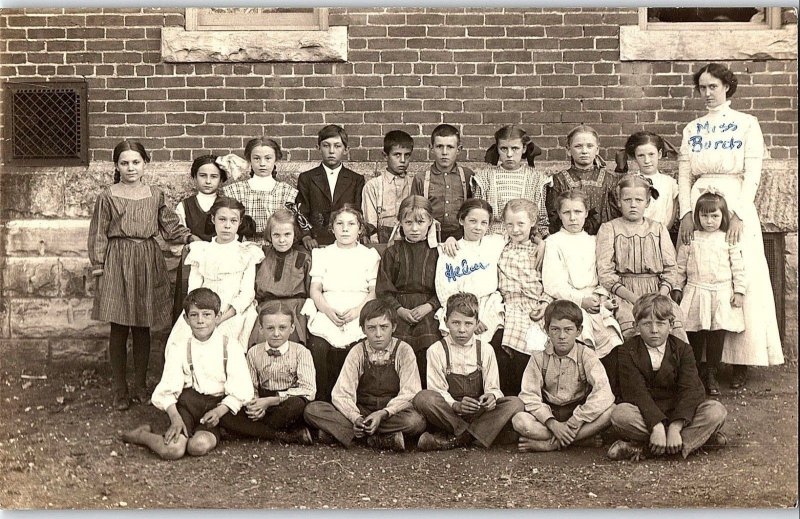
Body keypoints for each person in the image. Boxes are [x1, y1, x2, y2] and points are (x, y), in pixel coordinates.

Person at [677, 62, 783, 388]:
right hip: (699, 206)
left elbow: (753, 172)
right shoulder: (693, 129)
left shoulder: (746, 125)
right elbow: (684, 173)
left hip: (735, 203)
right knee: (701, 272)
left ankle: (741, 360)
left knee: (738, 273)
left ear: (727, 87)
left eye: (713, 86)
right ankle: (701, 363)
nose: (707, 93)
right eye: (702, 87)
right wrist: (684, 213)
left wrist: (737, 211)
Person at [88, 140, 197, 410]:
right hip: (117, 259)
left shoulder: (155, 194)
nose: (130, 168)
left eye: (136, 162)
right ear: (116, 166)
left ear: (145, 163)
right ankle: (120, 388)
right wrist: (99, 265)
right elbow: (98, 232)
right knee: (119, 325)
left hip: (147, 259)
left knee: (141, 325)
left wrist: (190, 237)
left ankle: (140, 385)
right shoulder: (107, 196)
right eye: (124, 163)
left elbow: (168, 223)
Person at [120, 288, 254, 459]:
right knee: (172, 450)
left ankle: (208, 432)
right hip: (188, 405)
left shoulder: (230, 346)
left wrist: (220, 411)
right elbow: (167, 389)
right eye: (194, 315)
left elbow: (242, 389)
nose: (200, 321)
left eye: (207, 315)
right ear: (186, 318)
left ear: (218, 317)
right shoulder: (180, 347)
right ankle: (143, 436)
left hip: (216, 407)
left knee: (198, 446)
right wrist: (175, 418)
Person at [608, 294, 728, 461]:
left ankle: (646, 449)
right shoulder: (626, 351)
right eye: (647, 324)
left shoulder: (683, 349)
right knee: (620, 415)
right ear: (636, 326)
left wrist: (675, 427)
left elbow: (691, 390)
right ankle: (695, 441)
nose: (654, 330)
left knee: (716, 411)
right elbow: (636, 392)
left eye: (660, 323)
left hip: (679, 411)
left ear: (671, 325)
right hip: (645, 413)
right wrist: (657, 426)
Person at [304, 300, 426, 451]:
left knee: (416, 421)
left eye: (384, 327)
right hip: (362, 410)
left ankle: (349, 436)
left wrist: (382, 414)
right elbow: (342, 393)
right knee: (313, 410)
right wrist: (356, 418)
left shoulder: (404, 351)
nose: (378, 334)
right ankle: (378, 438)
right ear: (363, 330)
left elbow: (410, 392)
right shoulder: (357, 351)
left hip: (390, 413)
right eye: (371, 328)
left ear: (393, 327)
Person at [413, 293, 524, 451]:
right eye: (456, 323)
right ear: (446, 322)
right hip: (449, 414)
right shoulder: (436, 350)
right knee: (423, 398)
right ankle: (474, 434)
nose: (462, 330)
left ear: (477, 323)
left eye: (468, 324)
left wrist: (491, 397)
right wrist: (457, 406)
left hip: (478, 412)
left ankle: (458, 438)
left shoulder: (485, 349)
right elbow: (437, 390)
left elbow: (494, 388)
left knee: (515, 403)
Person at [542, 189, 623, 394]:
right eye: (567, 212)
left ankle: (607, 394)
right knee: (581, 336)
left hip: (595, 300)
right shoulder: (553, 242)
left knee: (612, 338)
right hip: (568, 301)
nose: (572, 218)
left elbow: (604, 273)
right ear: (559, 215)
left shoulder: (594, 241)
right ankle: (580, 393)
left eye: (578, 212)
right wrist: (581, 300)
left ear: (586, 213)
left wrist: (601, 298)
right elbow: (553, 284)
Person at [512, 300, 615, 452]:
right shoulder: (538, 357)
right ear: (546, 329)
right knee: (519, 421)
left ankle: (551, 444)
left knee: (611, 411)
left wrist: (577, 419)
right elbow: (529, 395)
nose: (561, 336)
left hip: (578, 413)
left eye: (568, 330)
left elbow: (603, 392)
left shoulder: (586, 355)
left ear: (579, 331)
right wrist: (553, 423)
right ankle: (580, 439)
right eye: (555, 329)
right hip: (550, 414)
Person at [301, 205, 381, 401]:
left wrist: (357, 312)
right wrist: (327, 310)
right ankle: (323, 401)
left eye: (351, 224)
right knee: (318, 347)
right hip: (328, 307)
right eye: (340, 224)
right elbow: (315, 289)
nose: (345, 229)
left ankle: (355, 399)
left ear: (360, 229)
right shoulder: (322, 254)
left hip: (360, 308)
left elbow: (373, 291)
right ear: (332, 228)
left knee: (359, 346)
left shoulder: (369, 255)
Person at [596, 174, 689, 343]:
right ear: (619, 202)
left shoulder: (658, 229)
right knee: (632, 327)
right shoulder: (609, 229)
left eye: (638, 200)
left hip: (657, 291)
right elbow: (605, 273)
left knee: (672, 324)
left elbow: (671, 268)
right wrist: (635, 300)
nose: (633, 205)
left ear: (647, 202)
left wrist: (660, 296)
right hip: (624, 294)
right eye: (627, 200)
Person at [167, 197, 265, 355]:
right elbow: (194, 291)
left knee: (225, 347)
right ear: (213, 220)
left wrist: (222, 317)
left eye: (233, 221)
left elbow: (247, 293)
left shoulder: (247, 252)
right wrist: (205, 316)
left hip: (233, 312)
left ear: (239, 223)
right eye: (222, 219)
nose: (227, 226)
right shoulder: (202, 251)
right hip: (202, 311)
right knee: (181, 344)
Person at [673, 191, 746, 396]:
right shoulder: (691, 239)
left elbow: (738, 267)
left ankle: (712, 371)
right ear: (697, 216)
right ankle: (693, 373)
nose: (709, 221)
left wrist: (739, 291)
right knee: (695, 332)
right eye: (704, 216)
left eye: (715, 216)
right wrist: (677, 287)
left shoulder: (728, 239)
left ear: (724, 216)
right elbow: (680, 267)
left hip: (720, 293)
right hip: (696, 290)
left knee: (716, 333)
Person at [222, 302, 315, 445]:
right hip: (262, 401)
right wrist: (255, 405)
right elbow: (249, 386)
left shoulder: (301, 352)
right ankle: (284, 436)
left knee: (296, 405)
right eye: (270, 328)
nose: (276, 333)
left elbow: (309, 390)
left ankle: (251, 431)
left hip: (285, 403)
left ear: (292, 328)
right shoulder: (253, 352)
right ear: (261, 329)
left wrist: (271, 401)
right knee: (227, 414)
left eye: (282, 328)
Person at [375, 195, 442, 382]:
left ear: (430, 222)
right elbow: (384, 290)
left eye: (420, 222)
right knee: (398, 345)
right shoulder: (392, 252)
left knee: (430, 344)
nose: (414, 228)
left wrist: (430, 306)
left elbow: (446, 288)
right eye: (408, 222)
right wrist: (400, 310)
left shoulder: (437, 252)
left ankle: (426, 395)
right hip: (399, 308)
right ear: (400, 223)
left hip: (428, 308)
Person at [496, 199, 552, 396]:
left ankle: (531, 397)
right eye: (509, 224)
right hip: (509, 305)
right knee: (504, 348)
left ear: (533, 222)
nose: (515, 229)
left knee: (532, 349)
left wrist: (545, 304)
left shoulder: (540, 250)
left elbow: (550, 282)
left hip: (535, 306)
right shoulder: (499, 245)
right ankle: (510, 399)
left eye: (521, 224)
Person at [434, 199, 505, 346]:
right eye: (472, 221)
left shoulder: (495, 243)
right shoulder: (449, 250)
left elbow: (523, 233)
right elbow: (444, 291)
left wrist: (540, 242)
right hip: (459, 308)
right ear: (461, 220)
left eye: (484, 223)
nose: (478, 227)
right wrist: (470, 318)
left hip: (488, 305)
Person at [172, 155, 226, 323]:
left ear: (221, 179)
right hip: (192, 264)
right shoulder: (185, 206)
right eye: (203, 176)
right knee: (190, 303)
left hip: (219, 262)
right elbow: (176, 232)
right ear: (194, 177)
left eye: (214, 176)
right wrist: (189, 239)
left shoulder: (225, 204)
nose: (208, 181)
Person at [473, 125, 550, 241]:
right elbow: (477, 215)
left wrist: (539, 241)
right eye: (504, 149)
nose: (509, 154)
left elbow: (541, 221)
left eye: (515, 148)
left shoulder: (537, 178)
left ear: (524, 148)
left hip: (526, 241)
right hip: (490, 240)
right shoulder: (484, 178)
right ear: (497, 149)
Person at [249, 208, 312, 347]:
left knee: (292, 342)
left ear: (295, 234)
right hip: (266, 308)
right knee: (260, 342)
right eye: (276, 235)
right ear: (269, 235)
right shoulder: (260, 256)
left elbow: (309, 291)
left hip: (294, 310)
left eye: (287, 234)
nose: (282, 240)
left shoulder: (303, 258)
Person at [295, 125, 365, 249]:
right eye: (326, 145)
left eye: (337, 146)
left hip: (346, 240)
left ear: (346, 150)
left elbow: (358, 211)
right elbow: (302, 210)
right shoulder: (307, 178)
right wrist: (306, 236)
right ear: (318, 148)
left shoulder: (356, 179)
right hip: (316, 241)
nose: (331, 151)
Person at [546, 124, 621, 235]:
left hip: (603, 239)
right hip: (569, 238)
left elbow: (617, 214)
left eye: (589, 146)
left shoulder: (609, 180)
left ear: (597, 149)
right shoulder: (559, 180)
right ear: (568, 150)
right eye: (578, 146)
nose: (584, 151)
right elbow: (553, 214)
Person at [221, 137, 298, 243]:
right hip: (243, 247)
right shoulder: (235, 191)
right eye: (257, 158)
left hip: (277, 246)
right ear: (249, 160)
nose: (262, 163)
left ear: (276, 159)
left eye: (268, 158)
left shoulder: (286, 191)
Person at [410, 124, 475, 242]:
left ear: (458, 149)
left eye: (450, 147)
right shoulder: (421, 178)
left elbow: (473, 210)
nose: (444, 152)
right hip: (430, 238)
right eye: (439, 146)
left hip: (461, 238)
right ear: (431, 148)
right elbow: (414, 213)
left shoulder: (467, 175)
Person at [362, 130, 415, 243]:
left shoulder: (414, 183)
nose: (402, 160)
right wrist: (375, 245)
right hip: (381, 241)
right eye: (397, 155)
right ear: (385, 156)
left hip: (409, 240)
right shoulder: (373, 186)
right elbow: (370, 223)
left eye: (407, 155)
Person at [624, 131, 679, 231]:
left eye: (651, 154)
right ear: (635, 157)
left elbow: (672, 213)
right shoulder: (630, 181)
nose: (647, 160)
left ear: (659, 154)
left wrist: (664, 233)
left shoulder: (669, 183)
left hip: (662, 234)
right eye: (641, 155)